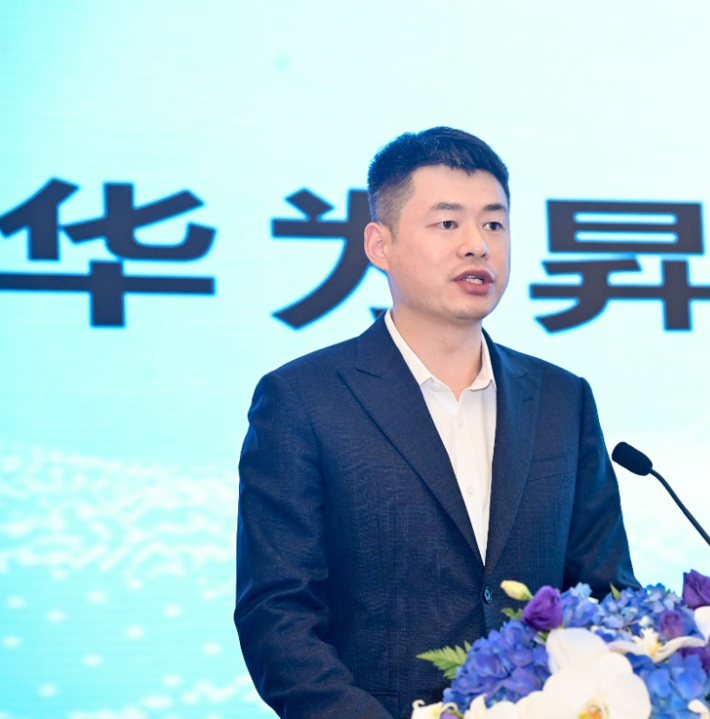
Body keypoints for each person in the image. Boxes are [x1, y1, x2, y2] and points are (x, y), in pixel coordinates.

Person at [234, 127, 638, 719]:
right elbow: (277, 616)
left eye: (494, 224)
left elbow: (606, 593)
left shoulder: (562, 400)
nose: (477, 246)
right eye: (448, 223)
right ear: (380, 244)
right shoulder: (304, 399)